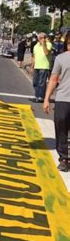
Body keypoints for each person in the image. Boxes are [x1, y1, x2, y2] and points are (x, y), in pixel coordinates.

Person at [44, 32, 70, 172]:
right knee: (61, 130)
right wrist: (47, 99)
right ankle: (64, 158)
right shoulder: (60, 58)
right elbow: (53, 79)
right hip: (63, 99)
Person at [31, 32, 52, 103]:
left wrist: (43, 44)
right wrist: (32, 65)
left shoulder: (48, 44)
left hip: (44, 66)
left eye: (43, 38)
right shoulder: (36, 46)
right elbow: (34, 56)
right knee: (35, 82)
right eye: (40, 38)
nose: (42, 39)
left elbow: (46, 53)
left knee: (41, 82)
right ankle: (36, 96)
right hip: (36, 66)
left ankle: (41, 97)